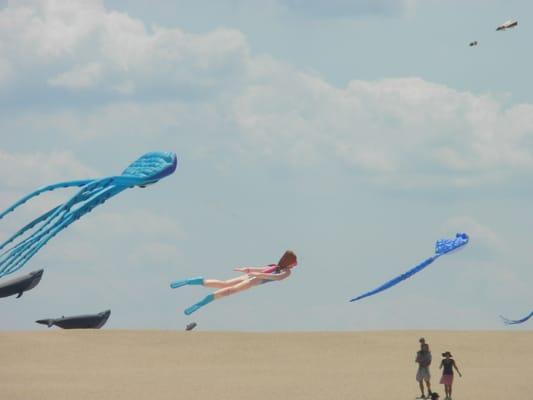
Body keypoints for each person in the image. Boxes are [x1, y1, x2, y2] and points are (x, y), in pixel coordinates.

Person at [171, 250, 298, 315]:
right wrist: (250, 271)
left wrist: (249, 271)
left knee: (224, 283)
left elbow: (262, 271)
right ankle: (205, 300)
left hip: (250, 278)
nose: (294, 265)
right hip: (252, 281)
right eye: (294, 262)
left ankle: (195, 281)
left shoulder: (276, 267)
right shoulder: (284, 271)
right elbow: (272, 277)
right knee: (230, 290)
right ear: (289, 262)